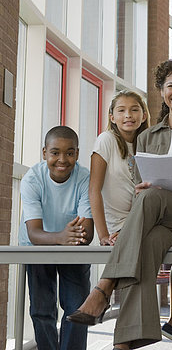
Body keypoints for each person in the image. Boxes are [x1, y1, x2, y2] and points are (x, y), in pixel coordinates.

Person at [67, 58, 172, 350]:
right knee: (148, 241)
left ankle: (104, 287)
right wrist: (141, 191)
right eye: (171, 85)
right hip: (162, 223)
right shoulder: (147, 136)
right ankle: (126, 342)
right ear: (161, 91)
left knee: (152, 197)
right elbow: (141, 191)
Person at [19, 125, 94, 350]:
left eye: (70, 153)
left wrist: (65, 238)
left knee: (77, 309)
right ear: (44, 153)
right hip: (37, 248)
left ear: (77, 154)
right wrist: (61, 236)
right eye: (55, 152)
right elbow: (34, 233)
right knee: (42, 310)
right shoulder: (32, 179)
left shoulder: (84, 178)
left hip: (72, 247)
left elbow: (87, 233)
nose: (62, 159)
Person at [89, 90, 150, 246]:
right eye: (121, 110)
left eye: (134, 109)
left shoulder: (148, 144)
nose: (128, 115)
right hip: (116, 227)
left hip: (143, 223)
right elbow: (94, 190)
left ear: (143, 116)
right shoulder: (106, 140)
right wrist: (103, 235)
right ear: (112, 117)